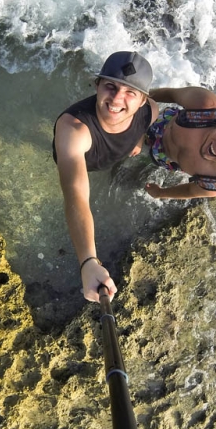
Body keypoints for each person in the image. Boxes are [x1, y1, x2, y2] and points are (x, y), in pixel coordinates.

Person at [53, 51, 158, 303]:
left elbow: (147, 118)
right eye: (110, 86)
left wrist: (139, 140)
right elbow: (76, 197)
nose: (117, 98)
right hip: (77, 158)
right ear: (97, 85)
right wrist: (89, 261)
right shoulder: (73, 130)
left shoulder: (150, 111)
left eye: (130, 92)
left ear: (143, 100)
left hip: (114, 155)